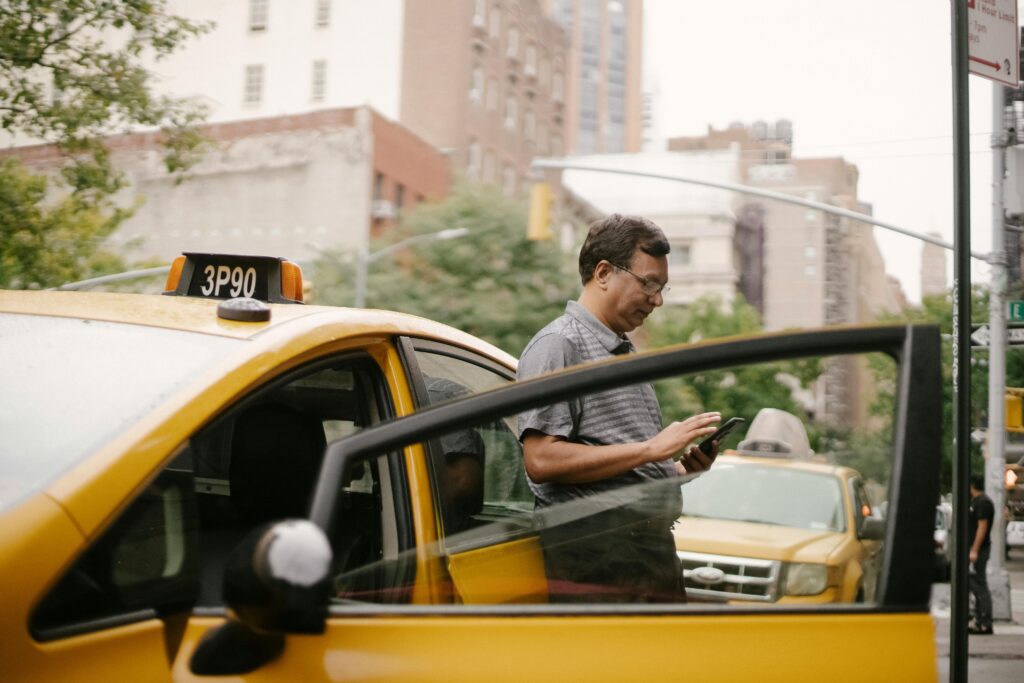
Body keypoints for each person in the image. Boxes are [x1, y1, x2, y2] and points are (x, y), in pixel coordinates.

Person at [517, 213, 721, 603]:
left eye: (663, 288)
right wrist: (651, 450)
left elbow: (620, 464)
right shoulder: (559, 345)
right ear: (604, 273)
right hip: (598, 558)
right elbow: (541, 460)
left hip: (643, 554)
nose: (657, 300)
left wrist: (673, 471)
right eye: (649, 283)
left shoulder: (622, 349)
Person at [968, 474, 995, 635]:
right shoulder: (976, 502)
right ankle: (979, 621)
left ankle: (985, 622)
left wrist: (975, 550)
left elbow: (982, 528)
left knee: (979, 585)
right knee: (975, 585)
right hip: (975, 549)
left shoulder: (983, 503)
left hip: (979, 550)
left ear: (972, 485)